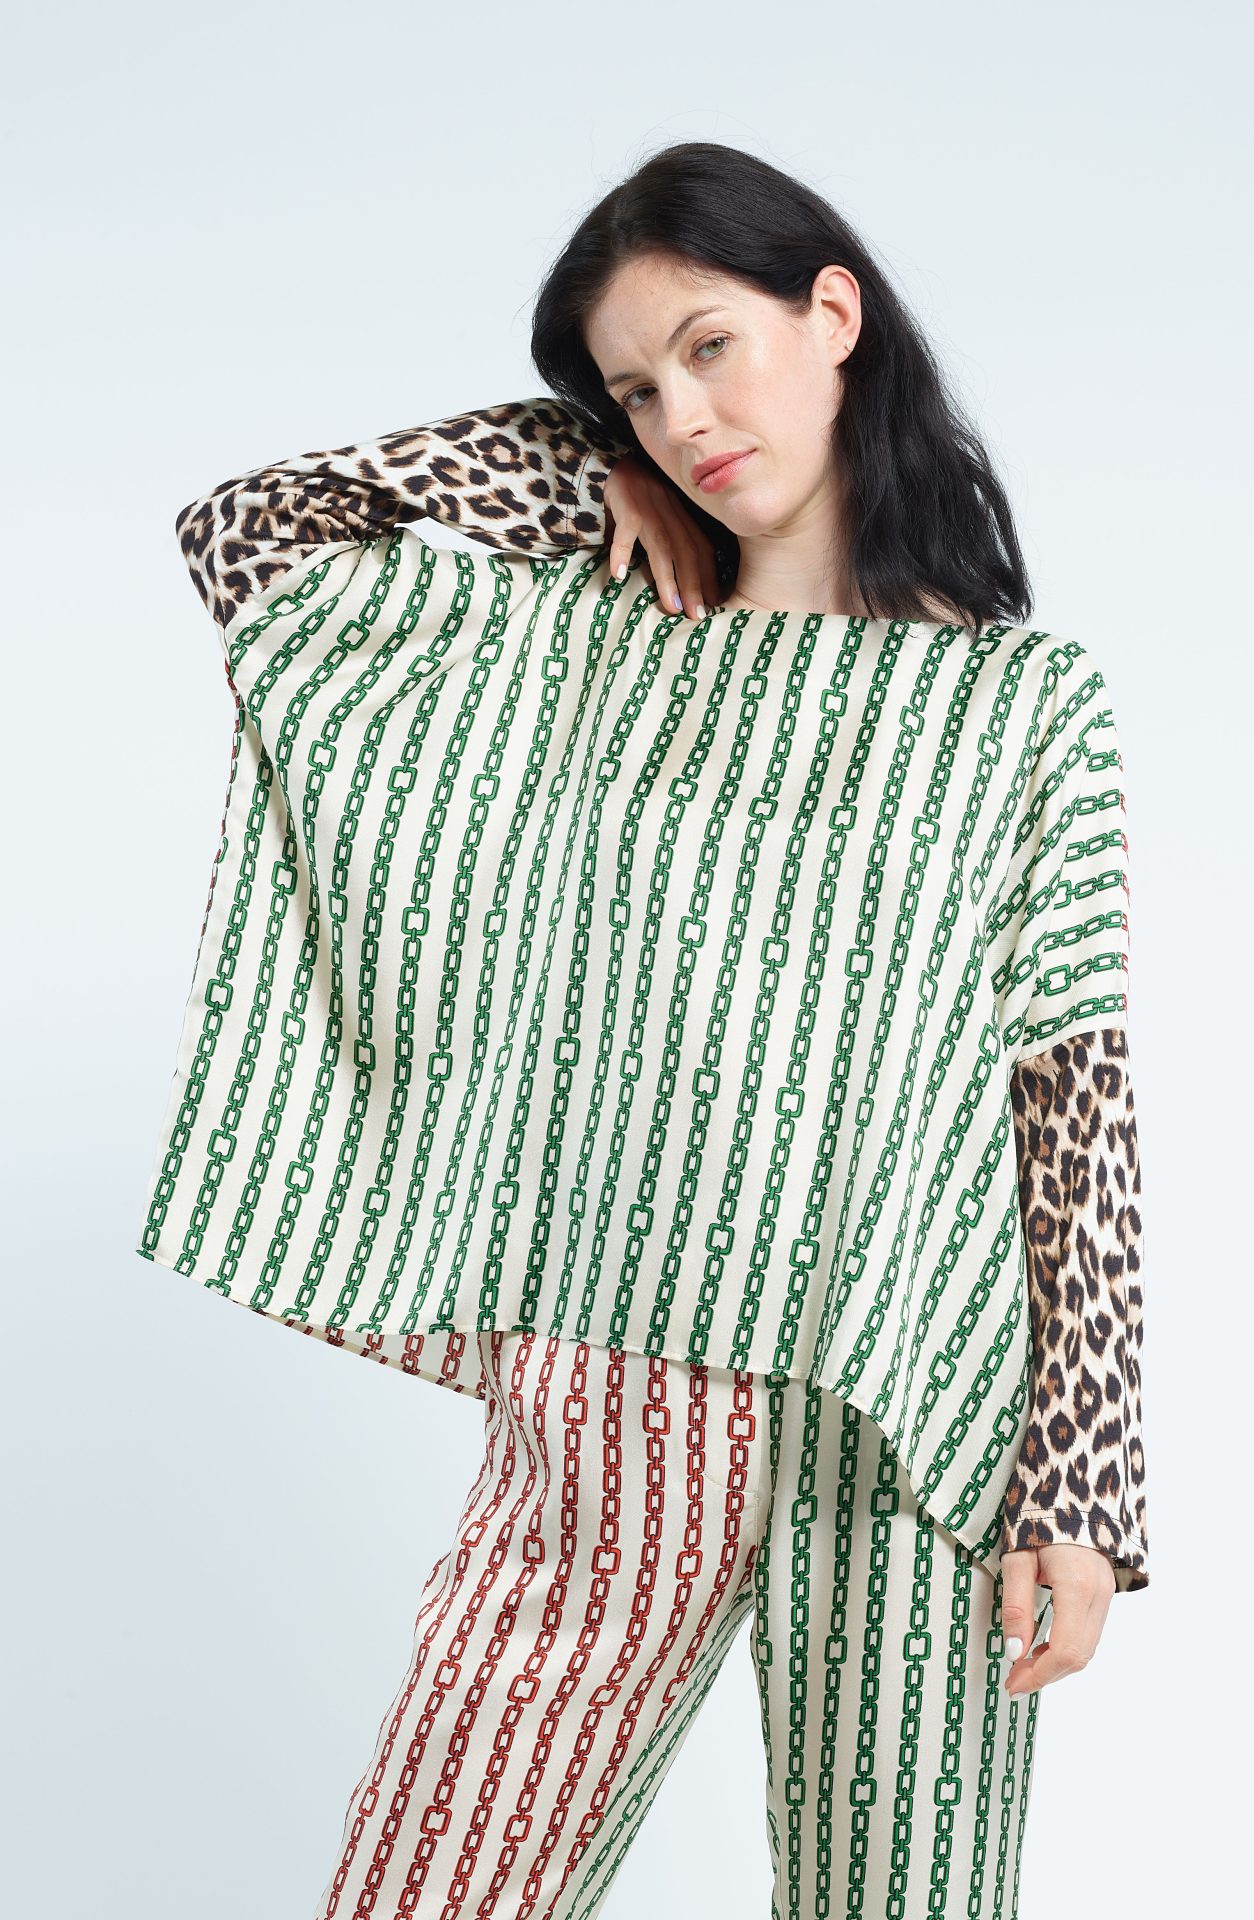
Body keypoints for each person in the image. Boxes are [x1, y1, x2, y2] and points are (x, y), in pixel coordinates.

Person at [136, 140, 1148, 1918]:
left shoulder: (1025, 702)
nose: (683, 417)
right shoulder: (585, 640)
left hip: (916, 1389)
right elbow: (247, 533)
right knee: (438, 1881)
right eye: (634, 391)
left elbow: (1071, 1102)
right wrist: (566, 469)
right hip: (622, 1360)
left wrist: (1085, 1489)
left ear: (833, 314)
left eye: (707, 348)